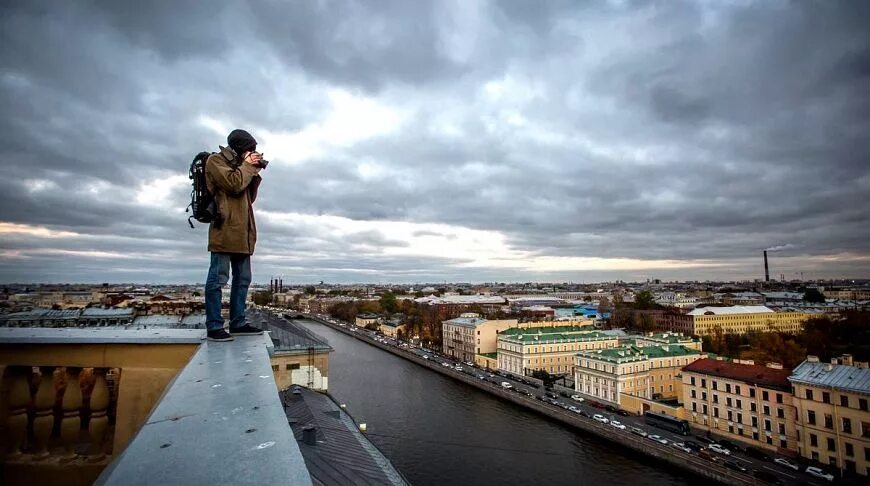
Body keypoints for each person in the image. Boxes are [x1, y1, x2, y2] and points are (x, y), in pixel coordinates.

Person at [203, 129, 265, 341]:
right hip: (224, 228)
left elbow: (249, 197)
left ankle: (238, 322)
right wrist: (247, 166)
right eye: (250, 149)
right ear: (238, 147)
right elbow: (234, 184)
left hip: (244, 232)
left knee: (243, 279)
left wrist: (254, 171)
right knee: (218, 279)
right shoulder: (215, 161)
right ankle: (214, 326)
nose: (252, 153)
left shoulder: (241, 167)